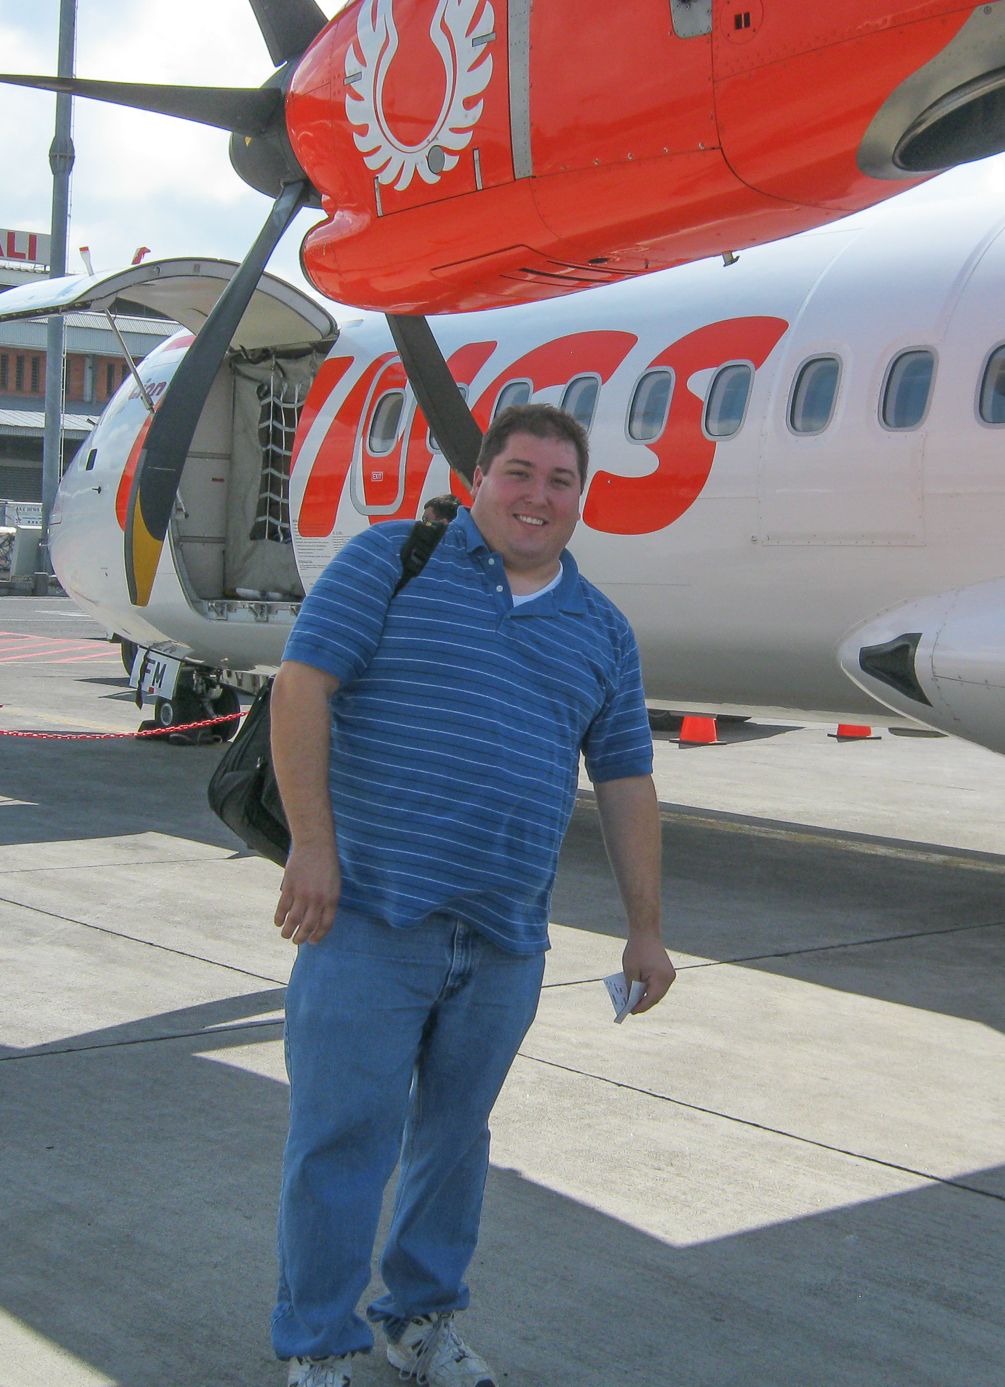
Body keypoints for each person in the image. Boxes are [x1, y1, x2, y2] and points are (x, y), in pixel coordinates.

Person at [267, 403, 677, 1387]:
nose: (538, 496)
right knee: (340, 1141)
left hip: (504, 937)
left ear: (580, 499)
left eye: (559, 481)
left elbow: (625, 780)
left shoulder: (601, 630)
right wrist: (311, 847)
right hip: (369, 916)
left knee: (455, 1145)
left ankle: (419, 1320)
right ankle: (318, 1349)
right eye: (519, 473)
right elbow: (300, 687)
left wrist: (646, 930)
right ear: (479, 479)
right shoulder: (391, 562)